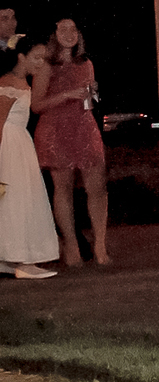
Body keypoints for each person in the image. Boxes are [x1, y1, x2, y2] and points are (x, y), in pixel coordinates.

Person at [32, 17, 108, 266]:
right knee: (63, 188)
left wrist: (91, 93)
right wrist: (66, 95)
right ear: (54, 35)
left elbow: (89, 102)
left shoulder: (86, 63)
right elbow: (36, 105)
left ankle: (100, 245)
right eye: (63, 29)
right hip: (55, 129)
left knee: (97, 187)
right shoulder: (46, 66)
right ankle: (72, 246)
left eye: (73, 29)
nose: (68, 33)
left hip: (84, 126)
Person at [0, 36, 59, 279]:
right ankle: (19, 259)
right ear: (21, 56)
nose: (40, 63)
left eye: (43, 58)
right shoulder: (8, 83)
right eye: (36, 57)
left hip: (21, 145)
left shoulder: (23, 83)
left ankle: (13, 259)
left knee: (23, 200)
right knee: (13, 200)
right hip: (9, 146)